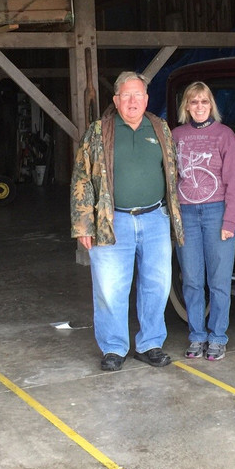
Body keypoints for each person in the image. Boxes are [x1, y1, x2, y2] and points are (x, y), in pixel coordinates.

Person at [70, 71, 185, 371]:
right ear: (116, 99)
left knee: (157, 285)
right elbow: (82, 178)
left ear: (146, 99)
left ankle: (150, 344)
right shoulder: (99, 131)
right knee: (110, 288)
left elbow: (173, 172)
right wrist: (83, 224)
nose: (132, 101)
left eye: (138, 95)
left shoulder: (160, 127)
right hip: (112, 221)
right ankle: (113, 347)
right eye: (126, 95)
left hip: (155, 218)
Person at [171, 82, 235, 361]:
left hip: (217, 212)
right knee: (191, 279)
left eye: (204, 101)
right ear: (186, 107)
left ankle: (217, 336)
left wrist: (230, 221)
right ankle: (197, 335)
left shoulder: (225, 136)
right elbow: (170, 177)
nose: (199, 107)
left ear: (211, 105)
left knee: (218, 280)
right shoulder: (176, 135)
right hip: (186, 213)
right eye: (194, 102)